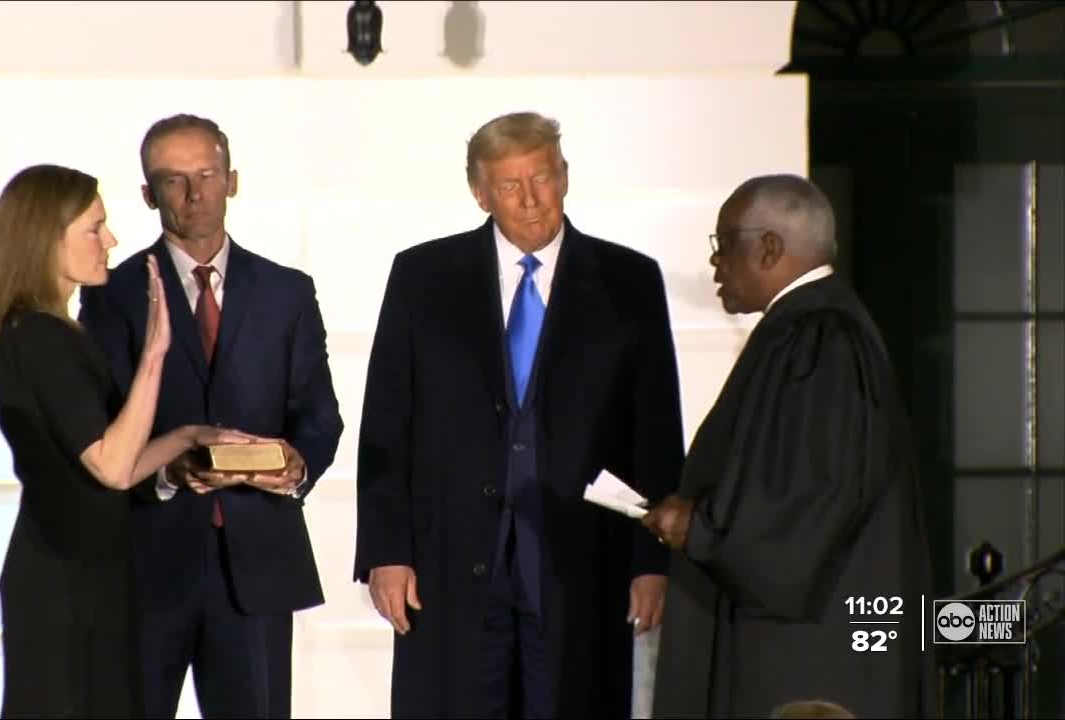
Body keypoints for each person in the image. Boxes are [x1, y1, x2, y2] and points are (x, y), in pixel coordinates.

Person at [354, 111, 686, 718]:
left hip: (584, 566)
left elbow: (655, 431)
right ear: (480, 193)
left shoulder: (628, 281)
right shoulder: (423, 277)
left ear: (564, 176)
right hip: (448, 566)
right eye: (510, 185)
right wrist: (386, 551)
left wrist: (652, 564)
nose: (532, 200)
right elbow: (386, 427)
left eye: (544, 177)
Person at [78, 114, 344, 719]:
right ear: (148, 194)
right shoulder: (111, 296)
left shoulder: (288, 292)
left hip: (258, 564)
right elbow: (101, 428)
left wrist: (295, 467)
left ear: (232, 179)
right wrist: (169, 475)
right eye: (174, 181)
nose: (194, 195)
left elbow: (320, 415)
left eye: (207, 175)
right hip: (148, 565)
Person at [642, 174, 935, 718]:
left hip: (809, 648)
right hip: (811, 631)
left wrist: (700, 528)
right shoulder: (813, 328)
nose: (715, 264)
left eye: (723, 244)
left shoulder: (821, 336)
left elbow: (810, 496)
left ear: (769, 247)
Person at [0, 164, 248, 718]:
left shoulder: (48, 332)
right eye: (94, 228)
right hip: (65, 582)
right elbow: (113, 467)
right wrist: (155, 354)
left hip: (87, 572)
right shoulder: (42, 338)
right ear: (45, 240)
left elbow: (103, 461)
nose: (112, 241)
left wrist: (188, 436)